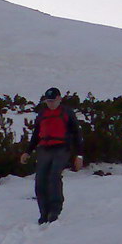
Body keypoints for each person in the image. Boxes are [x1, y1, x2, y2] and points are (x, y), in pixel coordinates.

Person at [20, 87, 83, 224]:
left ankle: (55, 210)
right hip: (44, 149)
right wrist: (27, 151)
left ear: (59, 99)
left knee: (54, 176)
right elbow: (36, 135)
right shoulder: (42, 114)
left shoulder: (67, 113)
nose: (50, 104)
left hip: (62, 148)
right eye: (48, 101)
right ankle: (44, 212)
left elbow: (77, 134)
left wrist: (79, 155)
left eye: (53, 101)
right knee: (40, 179)